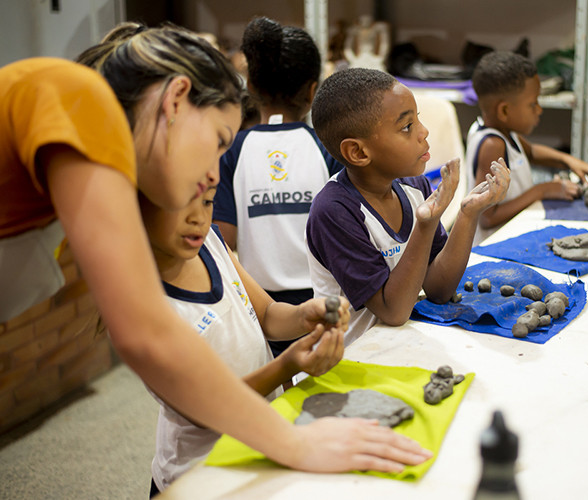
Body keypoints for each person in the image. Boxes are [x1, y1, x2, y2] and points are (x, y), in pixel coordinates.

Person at [0, 23, 430, 478]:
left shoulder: (104, 154)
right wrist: (296, 444)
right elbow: (145, 336)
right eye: (218, 144)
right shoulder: (77, 100)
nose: (212, 176)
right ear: (175, 101)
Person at [139, 186, 348, 495]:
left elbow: (265, 315)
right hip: (200, 474)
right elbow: (208, 408)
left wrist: (303, 315)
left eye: (208, 200)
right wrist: (286, 366)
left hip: (260, 441)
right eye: (182, 203)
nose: (199, 217)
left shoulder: (209, 242)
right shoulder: (142, 309)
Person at [307, 68, 511, 345]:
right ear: (358, 152)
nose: (424, 132)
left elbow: (438, 289)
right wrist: (425, 225)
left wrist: (467, 213)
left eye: (418, 119)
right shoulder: (334, 211)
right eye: (407, 127)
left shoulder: (414, 187)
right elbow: (393, 311)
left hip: (402, 346)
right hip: (350, 359)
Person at [213, 17, 344, 357]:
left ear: (251, 88)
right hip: (324, 301)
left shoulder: (232, 151)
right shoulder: (326, 147)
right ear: (314, 90)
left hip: (258, 304)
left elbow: (222, 238)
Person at [466, 51, 588, 244]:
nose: (539, 110)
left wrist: (568, 161)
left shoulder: (504, 132)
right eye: (533, 104)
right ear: (504, 111)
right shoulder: (492, 144)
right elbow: (487, 217)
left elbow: (532, 153)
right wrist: (542, 190)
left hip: (511, 237)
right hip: (493, 246)